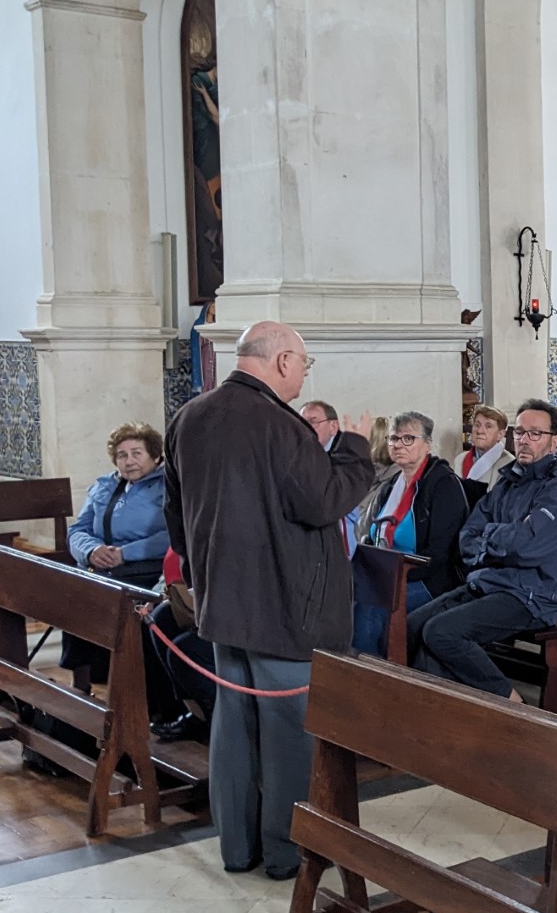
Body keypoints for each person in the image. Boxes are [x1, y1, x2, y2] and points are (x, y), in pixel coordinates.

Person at [165, 321, 374, 879]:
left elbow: (176, 516)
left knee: (233, 724)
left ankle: (237, 848)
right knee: (287, 734)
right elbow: (322, 502)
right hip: (285, 609)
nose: (304, 373)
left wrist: (202, 578)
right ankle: (286, 854)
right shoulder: (281, 425)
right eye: (304, 362)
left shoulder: (189, 417)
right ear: (282, 361)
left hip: (223, 604)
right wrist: (355, 450)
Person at [408, 400, 557, 699]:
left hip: (532, 595)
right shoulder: (508, 482)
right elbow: (468, 536)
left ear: (554, 441)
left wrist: (491, 538)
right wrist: (505, 538)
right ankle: (440, 705)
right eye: (519, 432)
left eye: (535, 433)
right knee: (414, 625)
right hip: (491, 583)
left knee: (442, 632)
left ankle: (509, 701)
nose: (524, 440)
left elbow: (527, 547)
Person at [59, 422, 171, 698]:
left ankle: (140, 691)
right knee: (73, 594)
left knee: (122, 605)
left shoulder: (168, 486)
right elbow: (78, 530)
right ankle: (82, 682)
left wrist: (125, 553)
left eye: (137, 453)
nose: (129, 461)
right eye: (122, 455)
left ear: (155, 456)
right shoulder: (104, 485)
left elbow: (173, 535)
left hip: (146, 571)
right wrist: (91, 551)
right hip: (101, 567)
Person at [350, 411, 469, 657]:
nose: (398, 445)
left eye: (408, 439)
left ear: (427, 444)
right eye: (393, 438)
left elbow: (440, 554)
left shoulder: (443, 485)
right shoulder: (391, 484)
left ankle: (371, 674)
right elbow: (371, 533)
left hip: (426, 579)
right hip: (387, 574)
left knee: (372, 609)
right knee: (345, 597)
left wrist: (393, 578)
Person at [453, 404, 514, 495]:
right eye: (477, 425)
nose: (479, 431)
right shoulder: (459, 460)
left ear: (500, 434)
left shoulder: (509, 464)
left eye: (488, 426)